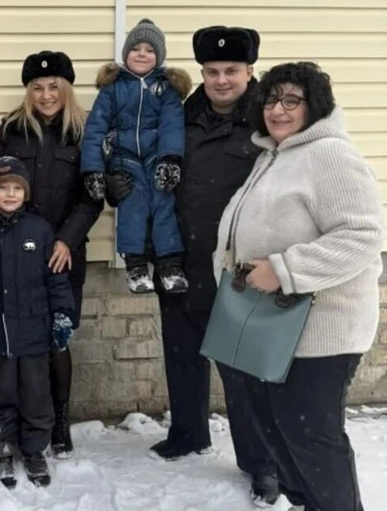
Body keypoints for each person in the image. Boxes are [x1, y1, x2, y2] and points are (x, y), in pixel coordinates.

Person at [108, 25, 281, 507]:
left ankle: (262, 463)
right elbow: (145, 160)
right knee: (182, 354)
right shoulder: (179, 114)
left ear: (250, 71)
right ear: (201, 72)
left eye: (231, 71)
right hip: (179, 257)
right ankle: (188, 432)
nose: (221, 80)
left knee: (243, 372)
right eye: (212, 71)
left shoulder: (269, 120)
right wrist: (121, 183)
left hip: (239, 267)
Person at [213, 61, 383, 511]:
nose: (278, 110)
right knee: (278, 431)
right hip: (271, 324)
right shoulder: (273, 156)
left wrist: (285, 270)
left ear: (315, 106)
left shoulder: (330, 155)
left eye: (292, 101)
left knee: (312, 439)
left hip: (319, 333)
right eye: (272, 99)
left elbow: (363, 236)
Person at [0, 50, 103, 459]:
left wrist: (66, 239)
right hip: (8, 251)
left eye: (54, 86)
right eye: (37, 88)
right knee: (6, 342)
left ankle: (58, 421)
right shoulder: (12, 128)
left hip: (60, 254)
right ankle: (10, 422)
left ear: (67, 88)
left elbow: (92, 197)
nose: (46, 95)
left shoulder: (85, 131)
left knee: (56, 340)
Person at [0, 156, 75, 488]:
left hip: (34, 331)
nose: (10, 194)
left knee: (36, 395)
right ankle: (1, 448)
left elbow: (56, 279)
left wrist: (62, 315)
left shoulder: (39, 230)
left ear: (26, 193)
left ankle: (35, 449)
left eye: (17, 188)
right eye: (3, 188)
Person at [81, 19, 191, 294]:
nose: (142, 54)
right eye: (136, 49)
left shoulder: (166, 88)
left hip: (156, 157)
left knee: (163, 202)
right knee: (132, 205)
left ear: (159, 56)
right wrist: (93, 170)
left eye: (150, 50)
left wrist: (170, 159)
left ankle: (169, 265)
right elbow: (95, 130)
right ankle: (136, 266)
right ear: (126, 53)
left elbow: (172, 125)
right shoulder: (113, 87)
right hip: (125, 159)